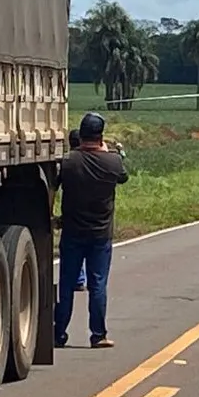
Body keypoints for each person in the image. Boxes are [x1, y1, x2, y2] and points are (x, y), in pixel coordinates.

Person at [54, 112, 128, 349]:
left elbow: (54, 186)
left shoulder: (68, 162)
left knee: (66, 285)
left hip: (72, 233)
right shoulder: (113, 162)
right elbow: (123, 177)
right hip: (100, 235)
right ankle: (98, 335)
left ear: (81, 134)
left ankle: (58, 334)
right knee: (97, 285)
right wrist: (107, 152)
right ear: (101, 136)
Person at [66, 129, 88, 292]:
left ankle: (77, 278)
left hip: (72, 213)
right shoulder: (90, 161)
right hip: (93, 214)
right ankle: (80, 278)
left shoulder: (68, 163)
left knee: (75, 249)